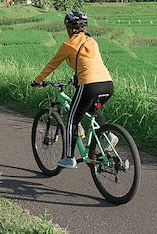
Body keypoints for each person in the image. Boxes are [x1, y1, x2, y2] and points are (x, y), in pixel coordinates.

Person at [31, 10, 115, 169]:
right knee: (91, 111)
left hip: (89, 85)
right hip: (107, 84)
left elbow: (52, 65)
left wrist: (37, 81)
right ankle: (108, 135)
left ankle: (69, 158)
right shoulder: (92, 41)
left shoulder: (68, 45)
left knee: (72, 120)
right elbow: (89, 64)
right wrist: (76, 79)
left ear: (69, 28)